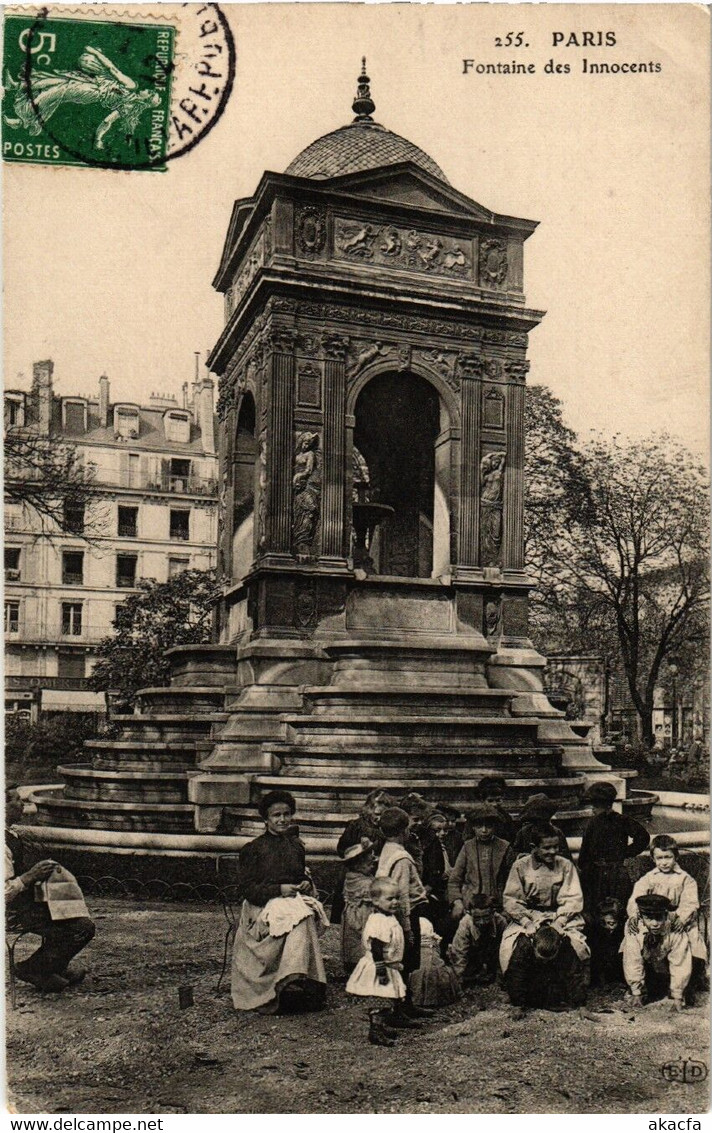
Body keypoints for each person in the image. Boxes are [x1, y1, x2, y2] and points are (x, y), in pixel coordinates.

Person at [230, 790, 328, 1014]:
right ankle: (289, 979)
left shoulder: (295, 846)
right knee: (301, 922)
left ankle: (296, 978)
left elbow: (298, 875)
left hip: (289, 905)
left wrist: (303, 882)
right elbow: (247, 889)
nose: (282, 819)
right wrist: (278, 890)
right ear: (266, 819)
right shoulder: (253, 849)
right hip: (260, 908)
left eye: (286, 814)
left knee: (302, 916)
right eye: (276, 815)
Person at [500, 821, 590, 1010]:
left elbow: (573, 897)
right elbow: (512, 899)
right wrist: (526, 921)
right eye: (547, 847)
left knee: (577, 946)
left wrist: (560, 921)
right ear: (534, 847)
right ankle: (518, 993)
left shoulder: (565, 865)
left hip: (560, 914)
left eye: (556, 846)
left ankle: (574, 994)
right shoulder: (520, 866)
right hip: (529, 916)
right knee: (511, 947)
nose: (552, 851)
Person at [5, 828, 95, 993]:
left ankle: (54, 968)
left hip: (24, 904)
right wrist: (29, 876)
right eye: (17, 800)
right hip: (12, 912)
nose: (22, 804)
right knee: (82, 927)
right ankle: (32, 968)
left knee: (70, 911)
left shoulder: (10, 836)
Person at [376, 806, 435, 1022]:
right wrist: (407, 927)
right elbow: (400, 896)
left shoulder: (386, 850)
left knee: (403, 961)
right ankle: (397, 1010)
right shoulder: (400, 858)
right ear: (404, 831)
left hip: (391, 913)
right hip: (402, 915)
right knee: (403, 960)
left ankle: (406, 1004)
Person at [627, 835, 707, 966]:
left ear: (676, 857)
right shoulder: (649, 878)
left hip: (676, 918)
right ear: (653, 859)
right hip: (653, 917)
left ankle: (691, 968)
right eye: (659, 858)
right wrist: (634, 914)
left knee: (689, 939)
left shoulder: (685, 879)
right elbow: (636, 898)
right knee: (636, 936)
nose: (664, 862)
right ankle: (640, 969)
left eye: (668, 857)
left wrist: (681, 918)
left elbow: (690, 902)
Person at [346, 878, 407, 1045]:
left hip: (388, 964)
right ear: (375, 900)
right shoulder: (378, 920)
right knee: (380, 999)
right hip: (378, 965)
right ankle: (375, 1030)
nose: (395, 902)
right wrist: (380, 969)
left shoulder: (388, 917)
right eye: (390, 899)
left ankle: (381, 1026)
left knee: (388, 999)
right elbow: (377, 947)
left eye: (397, 898)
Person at [577, 781, 650, 908]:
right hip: (614, 871)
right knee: (616, 905)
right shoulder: (622, 820)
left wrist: (585, 869)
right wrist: (626, 852)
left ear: (597, 805)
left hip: (600, 873)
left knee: (598, 906)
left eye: (594, 805)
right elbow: (643, 837)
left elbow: (584, 853)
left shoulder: (593, 823)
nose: (593, 809)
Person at [622, 893, 692, 1009]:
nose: (655, 924)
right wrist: (636, 992)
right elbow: (632, 961)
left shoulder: (675, 928)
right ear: (640, 916)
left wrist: (677, 996)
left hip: (664, 964)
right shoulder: (634, 928)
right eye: (649, 918)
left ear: (666, 915)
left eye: (659, 918)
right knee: (642, 990)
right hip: (646, 963)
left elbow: (680, 962)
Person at [332, 789, 392, 923]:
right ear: (369, 810)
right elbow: (341, 848)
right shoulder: (356, 826)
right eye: (376, 814)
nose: (379, 818)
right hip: (355, 870)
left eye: (383, 815)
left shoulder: (386, 830)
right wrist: (358, 847)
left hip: (376, 870)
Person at [448, 802, 514, 919]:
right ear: (473, 827)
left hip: (497, 904)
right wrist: (457, 901)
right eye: (479, 826)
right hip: (471, 905)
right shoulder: (468, 847)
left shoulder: (505, 847)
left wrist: (507, 905)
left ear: (494, 826)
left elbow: (513, 881)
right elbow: (454, 880)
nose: (484, 830)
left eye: (488, 826)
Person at [448, 893, 506, 986]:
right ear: (470, 914)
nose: (482, 922)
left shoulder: (501, 922)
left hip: (493, 952)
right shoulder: (465, 924)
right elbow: (459, 954)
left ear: (493, 912)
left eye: (486, 917)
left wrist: (500, 978)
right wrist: (459, 981)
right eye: (477, 918)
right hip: (472, 953)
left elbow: (505, 952)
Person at [341, 839, 376, 975]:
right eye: (369, 864)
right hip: (362, 913)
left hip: (353, 911)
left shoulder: (353, 877)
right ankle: (361, 966)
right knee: (361, 938)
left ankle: (354, 964)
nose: (372, 866)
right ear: (357, 865)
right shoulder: (363, 883)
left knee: (353, 938)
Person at [419, 812, 452, 938]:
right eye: (437, 830)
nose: (442, 834)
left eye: (445, 830)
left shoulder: (442, 846)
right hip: (431, 890)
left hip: (442, 891)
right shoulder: (429, 846)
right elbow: (433, 870)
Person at [510, 794, 572, 860]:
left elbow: (566, 856)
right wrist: (523, 856)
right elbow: (514, 853)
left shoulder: (556, 832)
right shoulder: (523, 832)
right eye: (537, 820)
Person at [588, 898, 625, 987]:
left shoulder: (623, 931)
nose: (608, 927)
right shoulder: (597, 931)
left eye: (612, 923)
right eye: (603, 923)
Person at [473, 777, 516, 843]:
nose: (495, 804)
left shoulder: (506, 818)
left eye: (498, 800)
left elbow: (511, 839)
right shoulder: (474, 817)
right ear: (483, 800)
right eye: (490, 801)